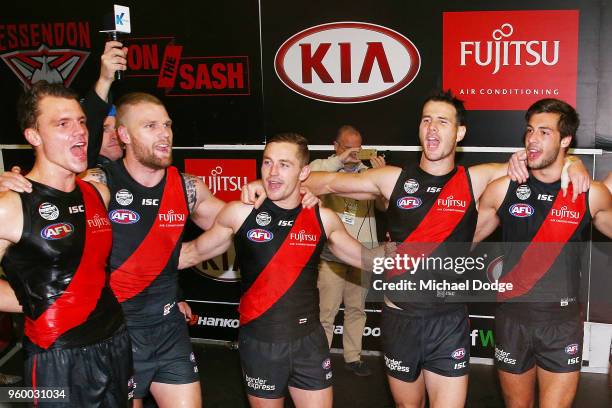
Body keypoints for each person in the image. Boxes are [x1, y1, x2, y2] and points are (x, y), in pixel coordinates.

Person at [242, 90, 590, 408]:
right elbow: (327, 181)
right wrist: (267, 183)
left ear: (459, 134)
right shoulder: (392, 179)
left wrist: (574, 164)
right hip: (400, 319)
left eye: (442, 121)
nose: (432, 128)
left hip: (448, 321)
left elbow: (546, 162)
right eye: (426, 120)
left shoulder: (476, 178)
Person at [179, 133, 377, 408]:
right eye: (267, 163)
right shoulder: (240, 213)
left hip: (309, 342)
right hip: (261, 344)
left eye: (284, 164)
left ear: (304, 172)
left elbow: (367, 259)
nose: (272, 173)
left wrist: (428, 255)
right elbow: (191, 254)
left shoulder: (322, 217)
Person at [0, 81, 132, 406]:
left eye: (82, 121)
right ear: (33, 136)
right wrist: (37, 301)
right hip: (56, 357)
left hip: (116, 341)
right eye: (62, 124)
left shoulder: (98, 193)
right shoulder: (10, 205)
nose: (79, 132)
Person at [474, 98, 612, 408]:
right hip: (512, 320)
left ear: (565, 140)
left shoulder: (589, 194)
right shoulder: (502, 188)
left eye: (544, 132)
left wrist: (574, 164)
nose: (532, 138)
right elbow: (462, 239)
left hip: (561, 325)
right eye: (529, 130)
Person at [309, 125, 384, 376]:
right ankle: (321, 360)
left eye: (358, 147)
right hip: (332, 255)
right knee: (326, 312)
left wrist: (382, 175)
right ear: (336, 146)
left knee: (356, 310)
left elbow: (385, 206)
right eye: (348, 147)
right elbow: (307, 177)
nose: (354, 152)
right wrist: (338, 161)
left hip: (362, 254)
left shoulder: (369, 174)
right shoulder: (324, 169)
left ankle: (353, 357)